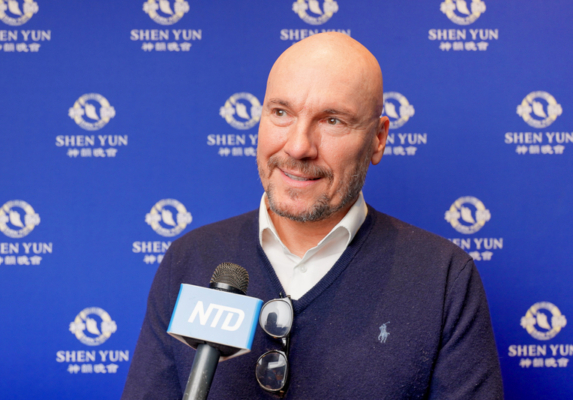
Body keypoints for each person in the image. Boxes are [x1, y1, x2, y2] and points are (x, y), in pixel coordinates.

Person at [122, 32, 503, 399]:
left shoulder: (444, 277)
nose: (298, 146)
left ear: (378, 138)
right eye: (281, 112)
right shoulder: (190, 258)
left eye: (332, 120)